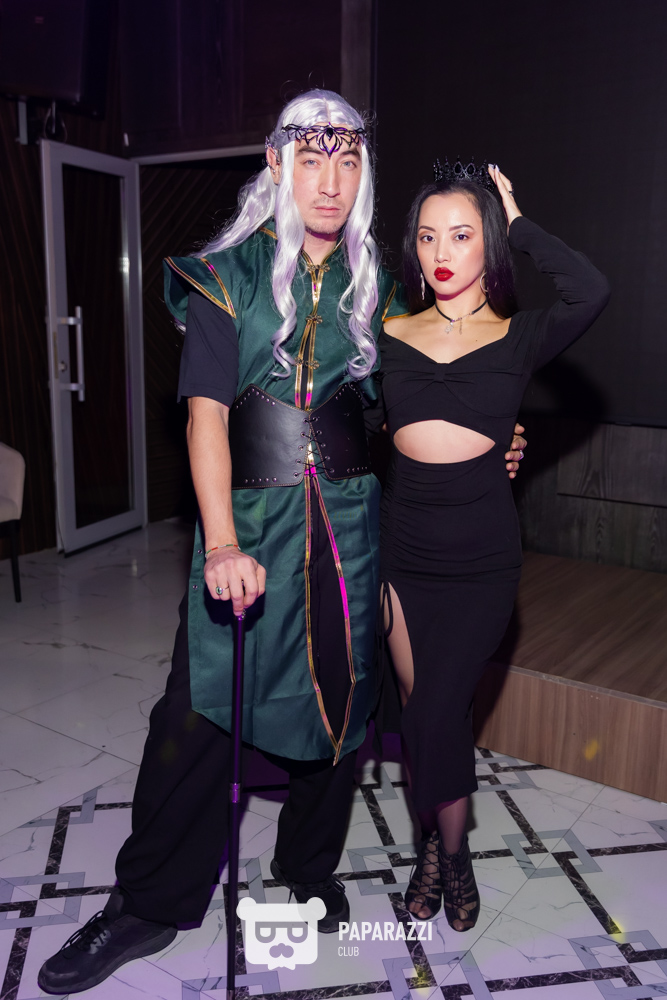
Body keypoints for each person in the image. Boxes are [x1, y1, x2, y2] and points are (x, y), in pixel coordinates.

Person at [37, 96, 526, 995]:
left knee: (339, 716)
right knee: (193, 714)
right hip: (252, 526)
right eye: (310, 160)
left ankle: (306, 872)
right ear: (275, 165)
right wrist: (221, 542)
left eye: (347, 162)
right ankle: (147, 903)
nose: (329, 181)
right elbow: (204, 418)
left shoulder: (377, 288)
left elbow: (432, 387)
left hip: (353, 524)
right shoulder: (225, 277)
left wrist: (495, 435)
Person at [377, 160, 610, 931]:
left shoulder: (518, 335)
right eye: (427, 236)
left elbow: (590, 289)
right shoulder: (386, 334)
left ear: (487, 247)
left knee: (436, 709)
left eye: (461, 234)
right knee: (427, 716)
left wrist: (516, 221)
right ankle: (440, 852)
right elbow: (353, 427)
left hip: (480, 561)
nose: (441, 251)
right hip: (402, 555)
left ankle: (447, 855)